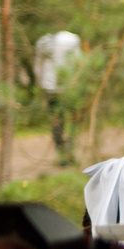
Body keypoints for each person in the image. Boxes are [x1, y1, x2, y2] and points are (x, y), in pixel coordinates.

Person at [34, 28, 84, 164]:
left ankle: (61, 152)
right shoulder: (72, 39)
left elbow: (38, 67)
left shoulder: (43, 41)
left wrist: (40, 84)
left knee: (57, 121)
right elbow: (79, 63)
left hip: (50, 87)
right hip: (69, 86)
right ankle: (70, 148)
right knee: (75, 118)